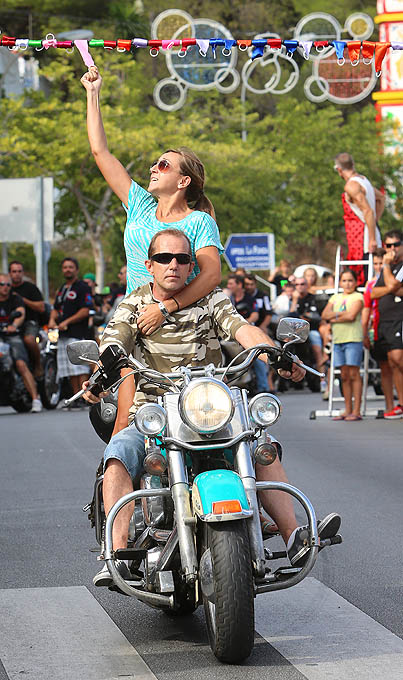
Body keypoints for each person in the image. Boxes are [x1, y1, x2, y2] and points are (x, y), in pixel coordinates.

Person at [82, 230, 341, 585]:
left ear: (191, 265)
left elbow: (242, 329)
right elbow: (114, 338)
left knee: (259, 445)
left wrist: (274, 353)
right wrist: (105, 361)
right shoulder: (134, 303)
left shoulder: (211, 298)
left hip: (211, 407)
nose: (173, 264)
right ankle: (117, 555)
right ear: (149, 265)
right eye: (164, 258)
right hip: (154, 414)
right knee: (118, 453)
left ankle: (295, 537)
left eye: (182, 258)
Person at [81, 65, 223, 434]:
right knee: (127, 420)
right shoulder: (141, 205)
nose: (153, 168)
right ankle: (120, 484)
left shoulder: (198, 221)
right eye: (155, 163)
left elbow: (210, 274)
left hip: (185, 324)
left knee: (207, 420)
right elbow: (100, 152)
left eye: (163, 164)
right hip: (136, 319)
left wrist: (166, 307)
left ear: (183, 180)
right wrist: (92, 93)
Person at [334, 153, 385, 283]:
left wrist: (372, 238)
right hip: (368, 232)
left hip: (363, 238)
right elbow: (381, 198)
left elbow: (367, 210)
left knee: (365, 277)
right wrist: (375, 222)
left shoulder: (351, 186)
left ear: (339, 170)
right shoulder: (363, 180)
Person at [48, 257, 93, 403]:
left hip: (78, 333)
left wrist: (67, 321)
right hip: (63, 334)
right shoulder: (62, 289)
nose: (68, 269)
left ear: (76, 270)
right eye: (65, 267)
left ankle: (85, 397)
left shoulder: (82, 287)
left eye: (71, 267)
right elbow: (55, 309)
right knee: (68, 368)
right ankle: (75, 397)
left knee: (80, 367)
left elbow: (85, 310)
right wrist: (51, 321)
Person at [322, 269, 364, 420]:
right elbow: (324, 315)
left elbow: (352, 316)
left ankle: (357, 410)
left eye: (350, 280)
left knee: (354, 374)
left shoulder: (358, 296)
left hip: (353, 339)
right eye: (344, 280)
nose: (347, 284)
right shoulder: (335, 297)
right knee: (344, 375)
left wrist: (334, 317)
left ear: (356, 282)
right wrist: (341, 316)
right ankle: (348, 409)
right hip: (338, 340)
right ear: (340, 282)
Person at [370, 230, 403, 419]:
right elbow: (374, 293)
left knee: (398, 360)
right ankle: (393, 406)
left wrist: (387, 267)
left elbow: (391, 287)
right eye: (388, 246)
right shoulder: (387, 269)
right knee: (389, 364)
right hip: (383, 321)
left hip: (399, 319)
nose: (392, 249)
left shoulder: (392, 266)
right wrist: (392, 289)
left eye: (396, 245)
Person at [0, 273, 42, 412]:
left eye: (7, 285)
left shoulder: (15, 298)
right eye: (2, 285)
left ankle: (36, 399)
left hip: (12, 336)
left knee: (20, 363)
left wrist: (14, 325)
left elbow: (20, 313)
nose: (5, 288)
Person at [362, 248, 395, 415]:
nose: (378, 266)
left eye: (381, 263)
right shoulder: (370, 285)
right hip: (377, 329)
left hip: (395, 326)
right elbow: (366, 309)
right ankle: (390, 406)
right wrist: (364, 332)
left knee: (398, 364)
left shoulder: (395, 280)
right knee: (385, 368)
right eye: (375, 263)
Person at [9, 261, 45, 378]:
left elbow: (41, 307)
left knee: (29, 340)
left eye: (19, 271)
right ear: (9, 273)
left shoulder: (31, 288)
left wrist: (22, 300)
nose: (17, 274)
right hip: (9, 324)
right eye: (14, 271)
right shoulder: (6, 288)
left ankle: (38, 365)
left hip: (30, 323)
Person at [244, 273, 275, 392]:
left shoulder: (263, 296)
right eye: (247, 284)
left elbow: (268, 314)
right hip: (247, 329)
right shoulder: (244, 296)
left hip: (261, 327)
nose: (249, 287)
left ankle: (268, 382)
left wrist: (262, 327)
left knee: (270, 351)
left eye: (251, 284)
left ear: (255, 284)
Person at [294, 277, 323, 372]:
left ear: (307, 285)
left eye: (302, 284)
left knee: (317, 351)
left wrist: (301, 317)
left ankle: (322, 379)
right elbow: (290, 314)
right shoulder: (293, 299)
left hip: (311, 330)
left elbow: (313, 316)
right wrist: (294, 301)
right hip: (295, 332)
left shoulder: (313, 298)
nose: (300, 287)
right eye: (297, 284)